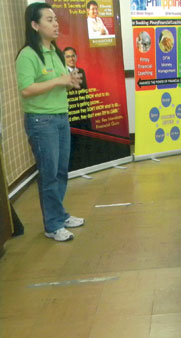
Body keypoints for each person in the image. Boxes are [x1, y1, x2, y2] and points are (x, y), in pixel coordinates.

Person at [15, 2, 84, 241]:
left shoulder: (55, 51)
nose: (56, 24)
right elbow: (27, 90)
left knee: (61, 171)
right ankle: (52, 225)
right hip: (41, 121)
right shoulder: (27, 55)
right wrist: (58, 82)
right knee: (49, 174)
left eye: (55, 19)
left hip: (60, 117)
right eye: (49, 20)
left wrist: (70, 81)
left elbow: (59, 80)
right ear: (35, 25)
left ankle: (59, 215)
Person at [63, 47, 90, 130]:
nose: (71, 59)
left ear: (76, 57)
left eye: (73, 56)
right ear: (63, 58)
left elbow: (85, 91)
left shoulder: (81, 71)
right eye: (68, 57)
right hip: (70, 112)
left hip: (83, 112)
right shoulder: (62, 73)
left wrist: (87, 109)